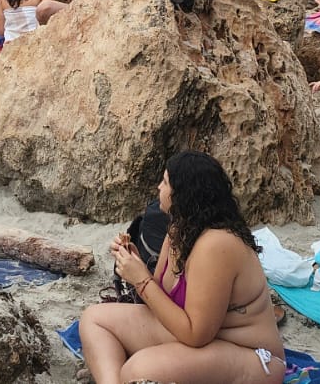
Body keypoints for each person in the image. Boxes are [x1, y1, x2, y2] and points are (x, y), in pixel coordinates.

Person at [79, 150, 283, 384]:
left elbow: (196, 334)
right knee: (94, 319)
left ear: (182, 195)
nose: (158, 187)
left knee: (137, 370)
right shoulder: (179, 231)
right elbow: (159, 301)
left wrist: (142, 281)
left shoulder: (216, 244)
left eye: (165, 182)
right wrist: (134, 263)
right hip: (195, 339)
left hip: (248, 354)